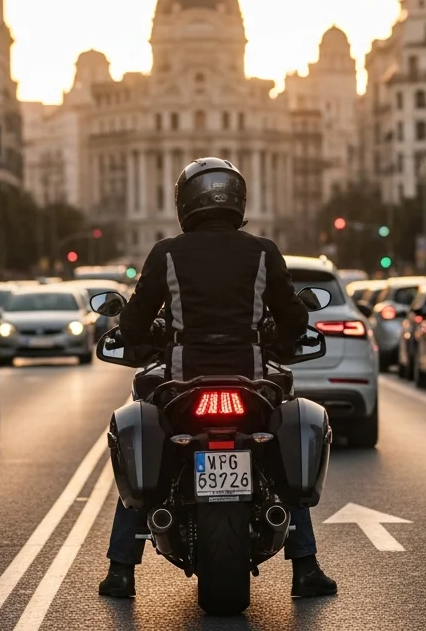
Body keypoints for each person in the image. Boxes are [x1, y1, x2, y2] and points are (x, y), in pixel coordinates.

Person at [97, 157, 338, 600]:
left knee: (146, 441)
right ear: (238, 200)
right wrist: (277, 338)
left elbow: (132, 324)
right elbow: (294, 318)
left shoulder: (167, 252)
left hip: (182, 381)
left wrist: (145, 338)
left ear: (185, 203)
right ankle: (305, 566)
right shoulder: (263, 251)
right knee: (279, 459)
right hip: (252, 379)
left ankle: (121, 570)